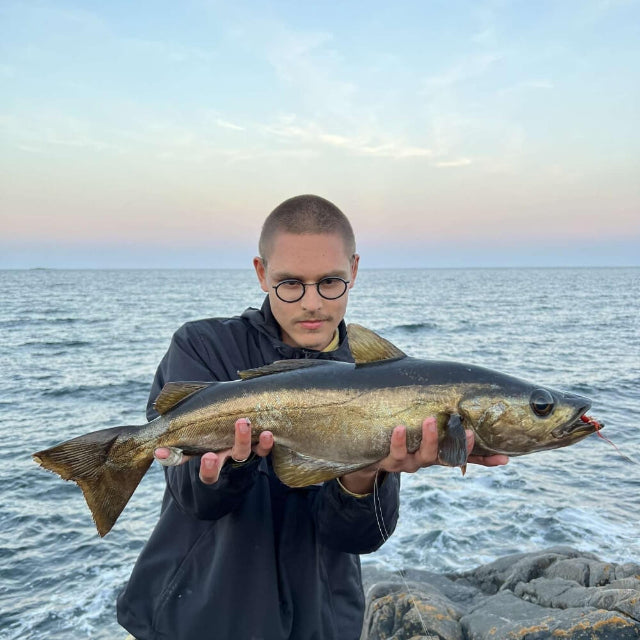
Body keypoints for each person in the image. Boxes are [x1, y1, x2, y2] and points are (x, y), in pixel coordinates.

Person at [117, 195, 508, 640]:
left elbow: (360, 539)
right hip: (197, 620)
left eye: (330, 282)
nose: (312, 303)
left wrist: (365, 477)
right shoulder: (203, 346)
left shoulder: (386, 384)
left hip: (320, 623)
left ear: (354, 271)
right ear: (262, 273)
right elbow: (195, 499)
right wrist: (230, 467)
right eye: (290, 284)